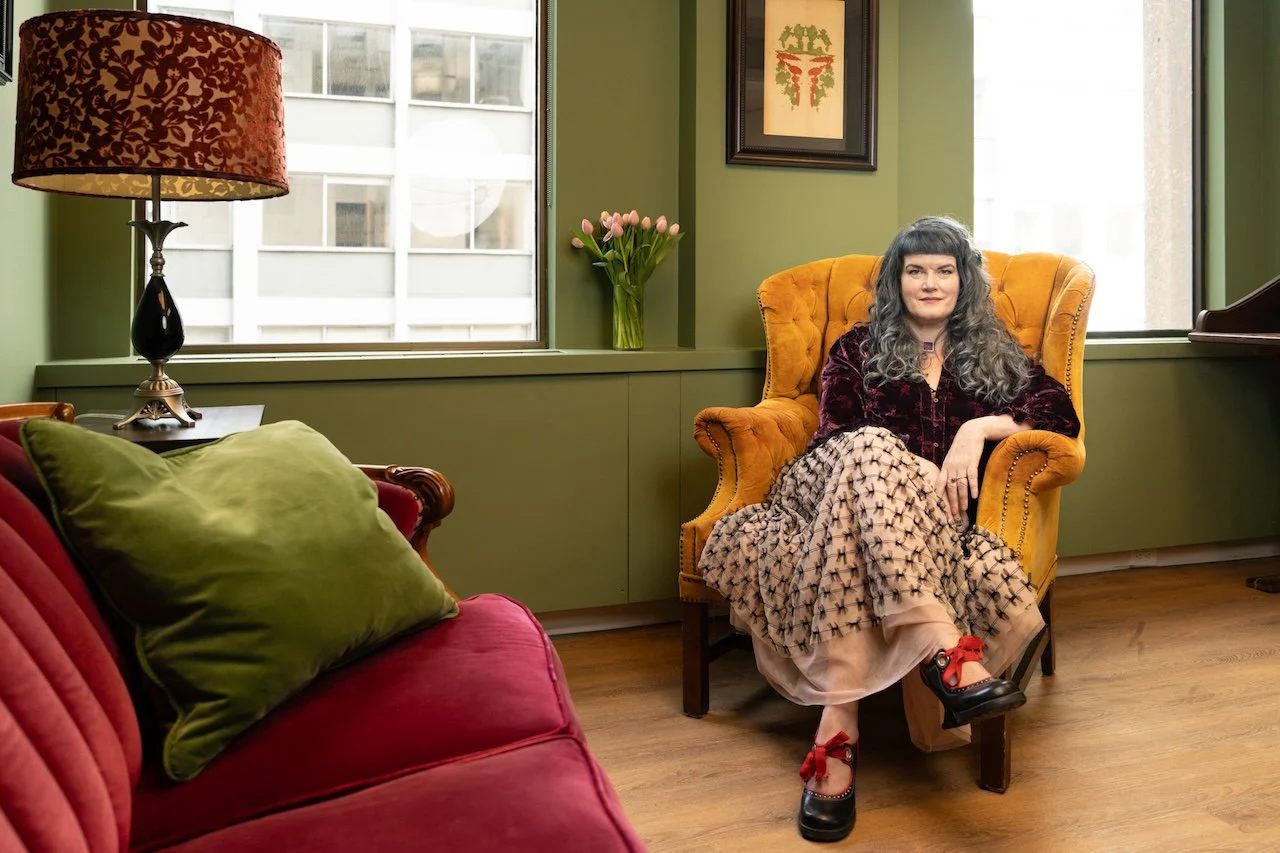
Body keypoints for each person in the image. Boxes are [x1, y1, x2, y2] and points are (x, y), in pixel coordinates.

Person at [698, 216, 1081, 843]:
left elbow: (1057, 414)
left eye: (943, 270)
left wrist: (976, 430)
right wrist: (904, 468)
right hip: (821, 492)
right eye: (916, 270)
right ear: (897, 281)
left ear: (963, 282)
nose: (930, 283)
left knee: (866, 500)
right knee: (872, 445)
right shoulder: (857, 347)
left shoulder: (996, 353)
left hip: (917, 527)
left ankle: (837, 735)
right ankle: (944, 654)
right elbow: (837, 439)